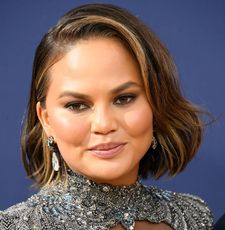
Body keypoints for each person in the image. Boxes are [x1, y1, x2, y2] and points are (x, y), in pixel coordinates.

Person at [0, 3, 213, 230]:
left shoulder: (193, 217)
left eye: (123, 99)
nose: (104, 124)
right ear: (46, 119)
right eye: (77, 105)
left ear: (156, 102)